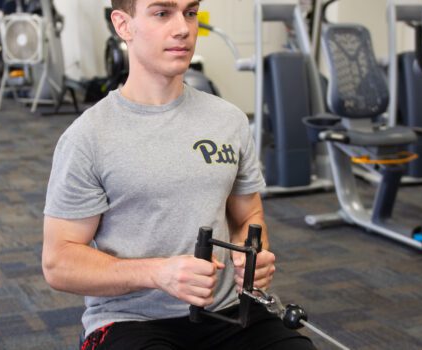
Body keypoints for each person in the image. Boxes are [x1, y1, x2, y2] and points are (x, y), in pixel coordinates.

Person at [41, 0, 316, 349]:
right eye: (162, 13)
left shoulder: (228, 120)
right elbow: (58, 262)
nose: (183, 28)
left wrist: (254, 255)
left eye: (190, 12)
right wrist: (156, 273)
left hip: (228, 312)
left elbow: (248, 214)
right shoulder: (88, 137)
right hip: (132, 320)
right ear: (123, 25)